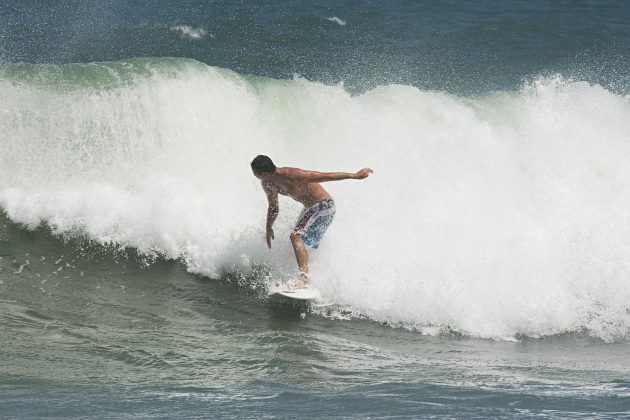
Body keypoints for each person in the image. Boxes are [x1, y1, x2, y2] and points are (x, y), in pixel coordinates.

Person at [251, 155, 373, 288]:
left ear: (264, 173)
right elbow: (273, 207)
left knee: (296, 236)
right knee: (301, 244)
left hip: (324, 206)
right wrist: (269, 227)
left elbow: (326, 176)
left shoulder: (293, 174)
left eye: (256, 174)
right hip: (312, 209)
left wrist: (354, 175)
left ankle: (304, 280)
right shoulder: (268, 184)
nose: (256, 177)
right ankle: (312, 278)